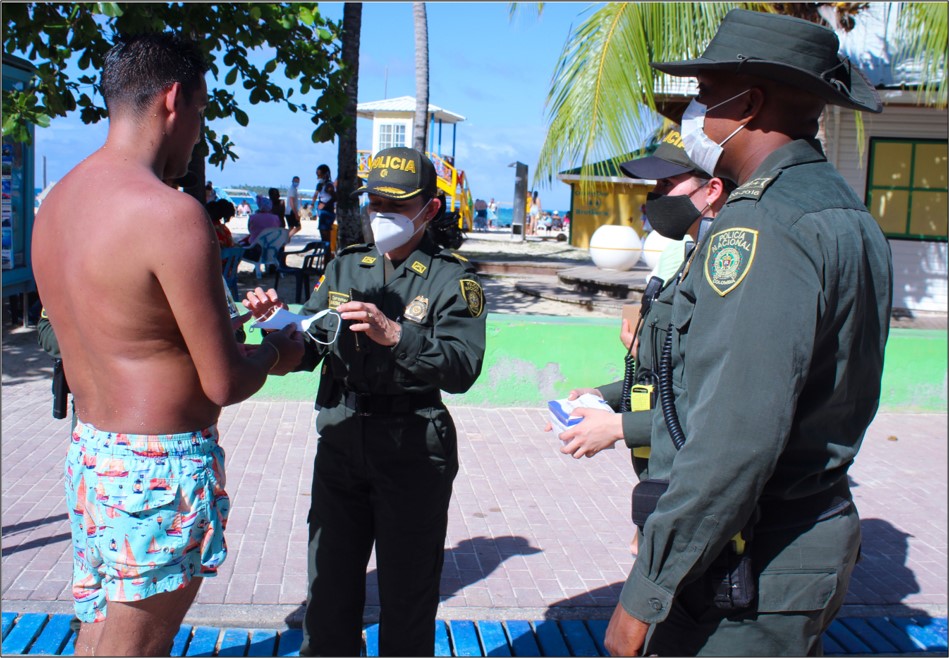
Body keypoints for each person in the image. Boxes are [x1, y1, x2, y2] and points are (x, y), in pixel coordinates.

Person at [603, 10, 892, 656]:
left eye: (706, 94)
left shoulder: (761, 226)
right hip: (793, 547)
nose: (696, 113)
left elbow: (734, 436)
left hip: (748, 562)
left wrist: (648, 587)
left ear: (749, 101)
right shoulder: (845, 212)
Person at [30, 32, 304, 656]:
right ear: (175, 100)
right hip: (157, 469)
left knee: (100, 636)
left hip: (94, 455)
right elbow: (224, 383)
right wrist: (278, 351)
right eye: (203, 115)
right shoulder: (170, 214)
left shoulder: (59, 204)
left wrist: (229, 327)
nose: (200, 136)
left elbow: (134, 328)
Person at [244, 147, 487, 657]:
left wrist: (396, 334)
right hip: (341, 436)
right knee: (329, 589)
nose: (383, 216)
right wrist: (275, 325)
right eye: (375, 203)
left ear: (430, 211)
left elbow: (463, 369)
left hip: (413, 447)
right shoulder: (347, 267)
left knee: (406, 596)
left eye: (397, 206)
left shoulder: (451, 279)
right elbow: (305, 348)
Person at [546, 130, 731, 540]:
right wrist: (602, 397)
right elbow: (668, 372)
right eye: (655, 185)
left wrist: (615, 428)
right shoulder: (687, 256)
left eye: (668, 184)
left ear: (713, 189)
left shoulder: (724, 274)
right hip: (661, 477)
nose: (656, 195)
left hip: (692, 488)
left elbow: (713, 408)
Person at [239, 194, 283, 259]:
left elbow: (250, 230)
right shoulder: (276, 218)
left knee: (239, 245)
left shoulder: (253, 217)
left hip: (255, 249)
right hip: (271, 249)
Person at [312, 163, 337, 244]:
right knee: (323, 234)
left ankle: (327, 254)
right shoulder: (320, 185)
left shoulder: (329, 186)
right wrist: (313, 203)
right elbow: (316, 195)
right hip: (322, 212)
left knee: (325, 235)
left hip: (327, 211)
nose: (318, 177)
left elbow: (335, 197)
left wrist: (324, 205)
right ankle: (326, 253)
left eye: (320, 175)